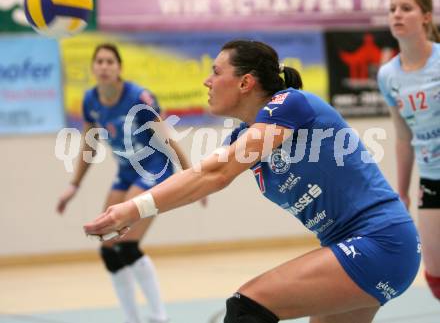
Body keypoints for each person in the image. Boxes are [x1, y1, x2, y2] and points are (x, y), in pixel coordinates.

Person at [84, 40, 421, 323]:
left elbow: (215, 174)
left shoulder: (289, 104)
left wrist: (131, 209)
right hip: (361, 248)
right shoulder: (244, 135)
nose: (207, 81)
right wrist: (133, 210)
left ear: (245, 83)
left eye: (216, 72)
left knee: (246, 308)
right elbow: (202, 177)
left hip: (379, 241)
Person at [57, 43, 197, 323]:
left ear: (119, 68)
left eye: (110, 61)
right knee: (108, 247)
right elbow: (89, 145)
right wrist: (74, 186)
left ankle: (159, 316)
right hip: (126, 172)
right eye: (99, 61)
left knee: (127, 243)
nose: (105, 66)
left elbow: (166, 136)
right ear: (93, 68)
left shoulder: (138, 97)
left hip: (155, 169)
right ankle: (132, 318)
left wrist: (191, 174)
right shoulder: (91, 101)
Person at [377, 0, 440, 301]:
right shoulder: (388, 74)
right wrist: (401, 192)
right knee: (435, 277)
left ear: (426, 17)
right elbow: (403, 135)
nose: (397, 14)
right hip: (431, 177)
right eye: (392, 9)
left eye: (406, 8)